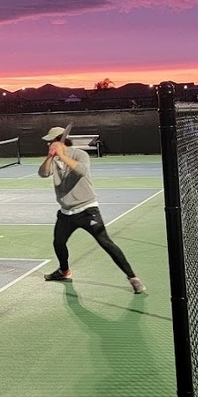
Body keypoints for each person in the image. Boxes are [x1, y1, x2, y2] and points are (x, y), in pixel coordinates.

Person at [38, 126, 145, 294]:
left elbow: (82, 170)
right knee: (58, 243)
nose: (48, 144)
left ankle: (133, 278)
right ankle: (64, 271)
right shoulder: (54, 158)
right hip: (66, 213)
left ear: (59, 140)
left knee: (106, 243)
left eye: (50, 141)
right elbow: (43, 174)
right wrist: (50, 157)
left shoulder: (80, 155)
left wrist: (62, 156)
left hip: (87, 210)